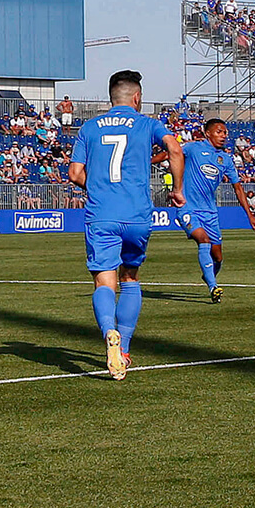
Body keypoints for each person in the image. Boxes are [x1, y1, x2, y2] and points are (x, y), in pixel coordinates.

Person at [69, 70, 171, 380]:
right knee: (131, 277)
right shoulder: (147, 124)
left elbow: (74, 173)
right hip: (137, 215)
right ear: (137, 98)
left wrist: (98, 187)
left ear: (111, 97)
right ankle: (123, 349)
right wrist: (177, 189)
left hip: (102, 214)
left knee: (104, 282)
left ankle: (109, 332)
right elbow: (174, 149)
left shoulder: (89, 127)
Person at [174, 119, 255, 305]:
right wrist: (146, 162)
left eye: (225, 132)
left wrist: (250, 216)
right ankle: (213, 287)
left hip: (210, 212)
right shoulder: (193, 148)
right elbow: (172, 152)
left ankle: (208, 275)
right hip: (187, 207)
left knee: (218, 257)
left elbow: (238, 189)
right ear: (207, 133)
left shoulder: (226, 160)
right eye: (219, 132)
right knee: (203, 240)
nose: (224, 135)